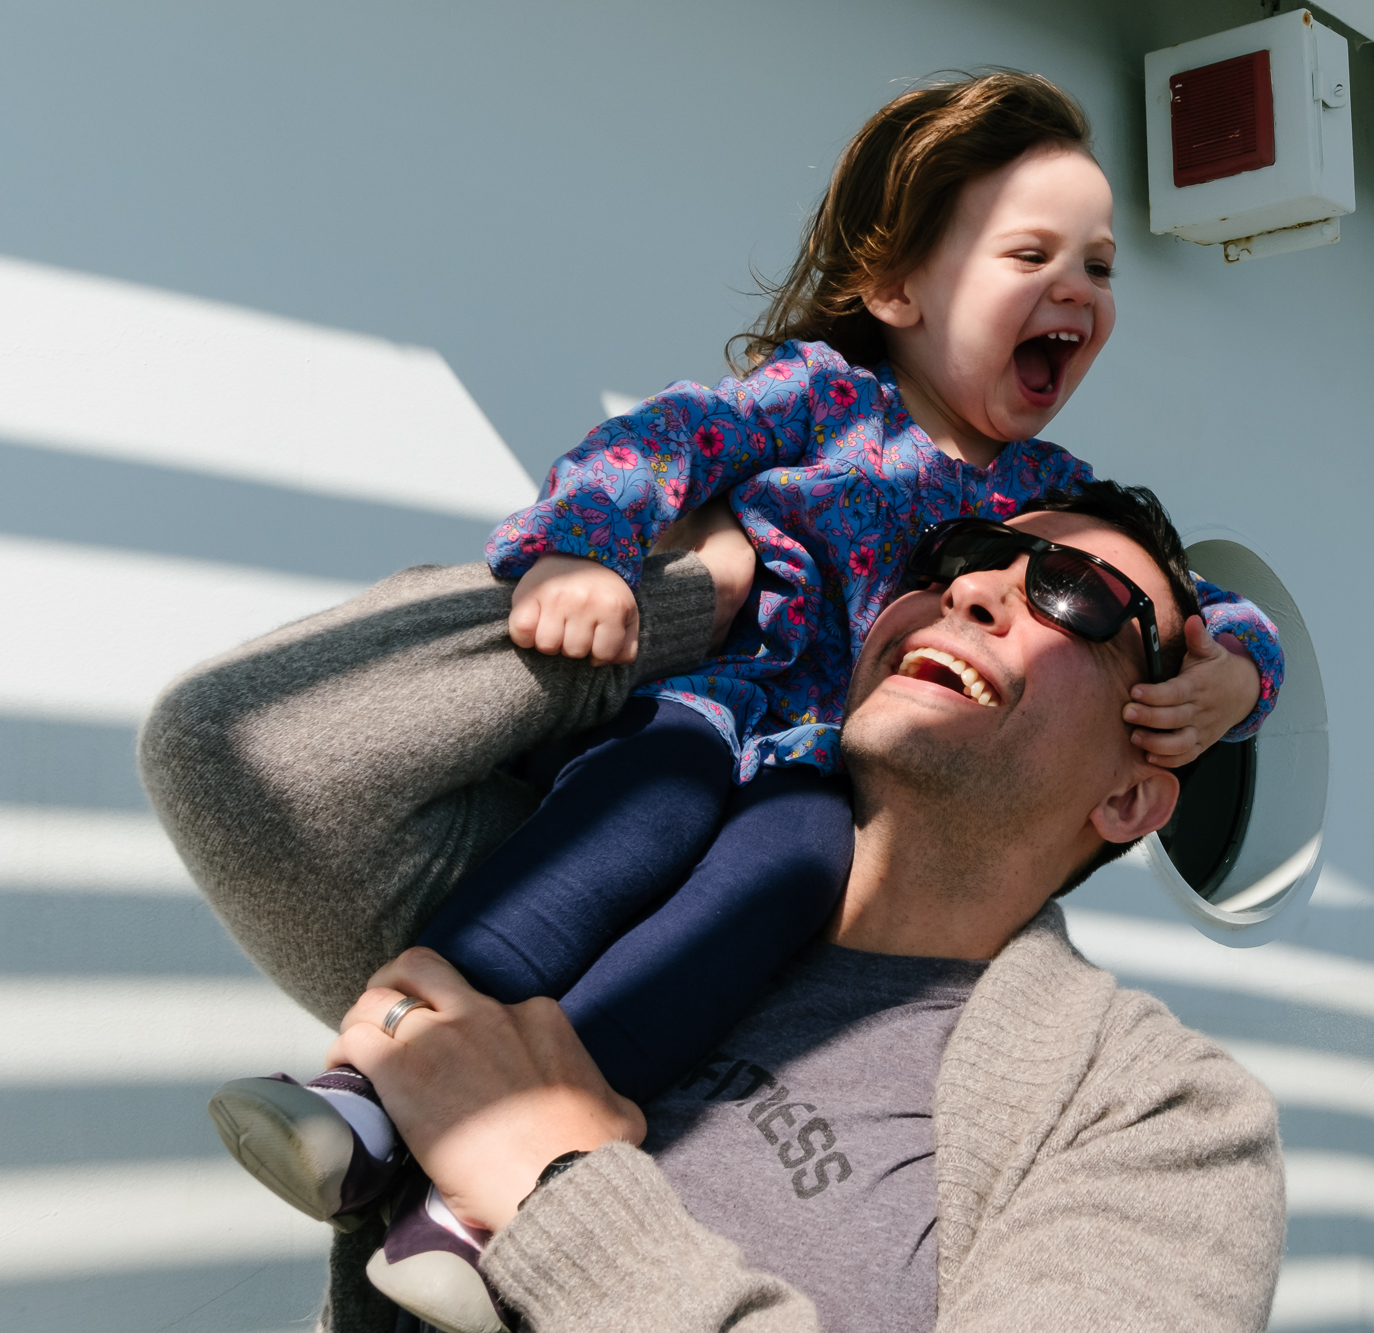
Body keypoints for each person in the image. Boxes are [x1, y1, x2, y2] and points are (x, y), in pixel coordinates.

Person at [198, 68, 1285, 1322]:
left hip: (807, 778)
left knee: (726, 916)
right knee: (583, 864)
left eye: (1097, 266)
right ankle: (364, 1097)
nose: (1077, 291)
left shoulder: (1143, 1116)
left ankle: (461, 1201)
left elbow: (1211, 608)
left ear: (1134, 794)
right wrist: (631, 568)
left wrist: (1233, 676)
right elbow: (655, 449)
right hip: (717, 714)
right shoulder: (821, 399)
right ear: (893, 290)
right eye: (1029, 252)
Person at [142, 482, 1286, 1333]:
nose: (976, 588)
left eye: (1073, 596)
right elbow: (240, 752)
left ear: (1134, 791)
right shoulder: (592, 890)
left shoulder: (1159, 1118)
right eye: (959, 554)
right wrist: (709, 591)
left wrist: (559, 1195)